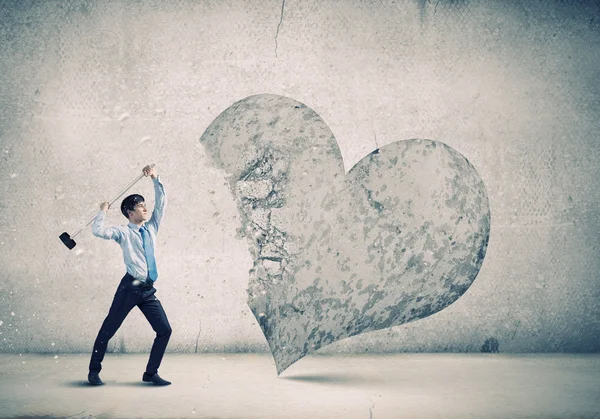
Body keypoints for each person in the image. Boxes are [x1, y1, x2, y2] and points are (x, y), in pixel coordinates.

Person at [87, 164, 172, 386]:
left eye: (145, 206)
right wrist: (102, 211)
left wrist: (155, 178)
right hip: (130, 288)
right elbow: (98, 231)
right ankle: (94, 371)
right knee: (108, 329)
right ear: (129, 213)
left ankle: (150, 374)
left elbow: (162, 203)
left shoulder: (151, 227)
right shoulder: (123, 233)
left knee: (164, 330)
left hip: (147, 289)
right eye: (140, 207)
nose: (145, 209)